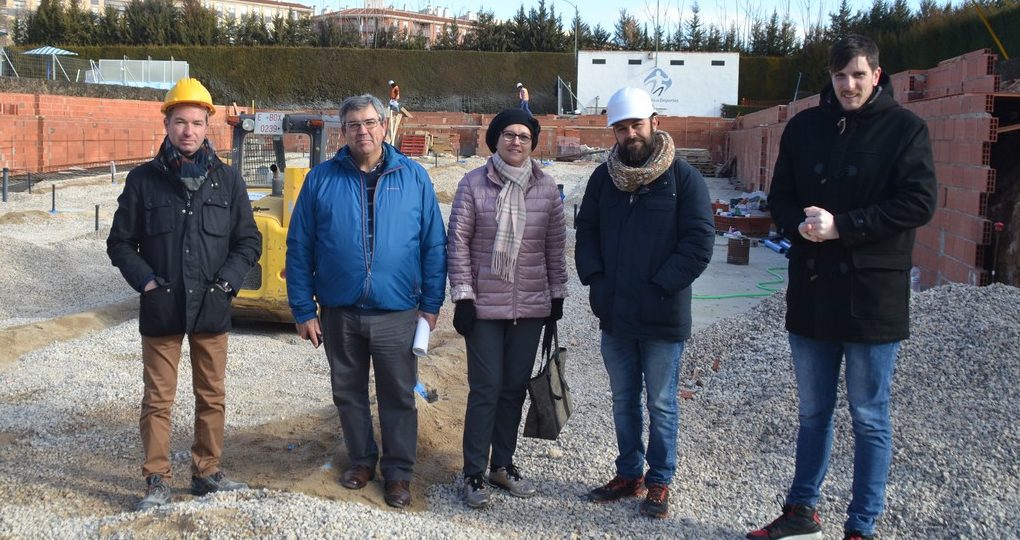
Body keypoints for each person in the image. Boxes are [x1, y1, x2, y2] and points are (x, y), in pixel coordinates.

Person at [745, 35, 937, 540]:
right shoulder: (806, 127)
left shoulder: (905, 129)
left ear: (877, 73)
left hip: (873, 298)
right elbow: (780, 194)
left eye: (858, 74)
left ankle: (861, 525)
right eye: (839, 75)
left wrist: (843, 227)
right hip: (812, 292)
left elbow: (918, 203)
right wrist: (798, 226)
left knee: (869, 416)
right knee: (812, 412)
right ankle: (801, 512)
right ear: (829, 78)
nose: (848, 85)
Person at [107, 77, 262, 511]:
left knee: (211, 395)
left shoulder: (227, 181)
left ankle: (207, 472)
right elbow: (120, 243)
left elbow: (248, 242)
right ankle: (157, 480)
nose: (188, 131)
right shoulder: (143, 181)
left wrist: (227, 285)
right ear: (167, 123)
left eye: (196, 122)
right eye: (180, 122)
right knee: (158, 398)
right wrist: (148, 282)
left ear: (208, 124)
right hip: (163, 308)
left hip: (211, 307)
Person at [285, 93, 447, 510]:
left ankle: (398, 473)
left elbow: (433, 244)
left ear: (384, 126)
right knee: (349, 392)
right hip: (340, 311)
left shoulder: (413, 177)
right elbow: (299, 246)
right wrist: (304, 309)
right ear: (344, 131)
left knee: (397, 394)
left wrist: (430, 305)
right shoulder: (320, 180)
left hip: (397, 311)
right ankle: (361, 460)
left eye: (371, 122)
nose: (364, 131)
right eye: (354, 124)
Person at [574, 86, 714, 519]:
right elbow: (587, 234)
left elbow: (698, 242)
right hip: (616, 315)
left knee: (661, 402)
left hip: (663, 315)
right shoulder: (604, 180)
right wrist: (596, 282)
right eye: (621, 128)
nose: (630, 134)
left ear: (654, 122)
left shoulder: (684, 179)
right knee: (622, 399)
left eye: (636, 124)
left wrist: (660, 286)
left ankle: (659, 479)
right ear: (613, 132)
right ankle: (629, 472)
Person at [446, 109, 568, 509]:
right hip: (483, 308)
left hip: (530, 308)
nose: (516, 142)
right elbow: (458, 243)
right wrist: (462, 296)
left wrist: (557, 296)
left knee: (513, 389)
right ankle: (473, 473)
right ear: (495, 139)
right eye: (509, 135)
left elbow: (554, 246)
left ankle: (502, 464)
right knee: (486, 389)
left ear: (533, 143)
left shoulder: (547, 189)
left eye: (524, 137)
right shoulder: (472, 185)